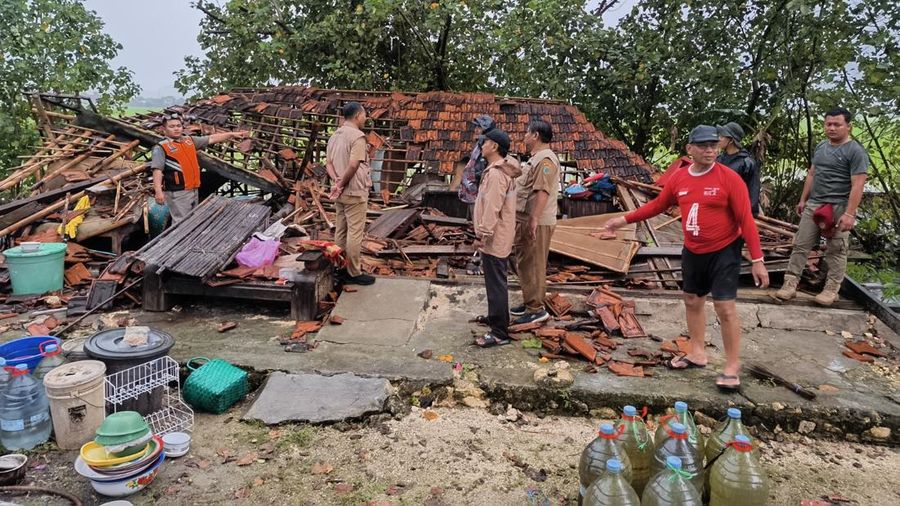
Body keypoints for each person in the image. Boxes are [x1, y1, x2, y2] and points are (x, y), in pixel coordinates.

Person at [605, 125, 769, 391]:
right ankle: (696, 352)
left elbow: (746, 220)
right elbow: (657, 205)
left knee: (725, 308)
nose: (709, 150)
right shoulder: (680, 178)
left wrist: (758, 259)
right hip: (693, 249)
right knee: (692, 301)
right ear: (689, 149)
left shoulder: (729, 178)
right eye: (703, 146)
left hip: (724, 250)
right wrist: (621, 220)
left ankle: (731, 366)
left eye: (713, 145)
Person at [775, 108, 869, 306]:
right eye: (828, 124)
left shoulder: (855, 151)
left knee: (836, 249)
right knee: (801, 244)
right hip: (815, 204)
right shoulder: (821, 147)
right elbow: (812, 174)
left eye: (837, 124)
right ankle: (790, 284)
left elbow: (858, 184)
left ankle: (831, 289)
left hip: (839, 205)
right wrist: (803, 200)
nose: (832, 128)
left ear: (848, 126)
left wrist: (849, 213)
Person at [151, 114, 249, 225]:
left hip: (193, 188)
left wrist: (231, 134)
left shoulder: (189, 141)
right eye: (172, 126)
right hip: (178, 191)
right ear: (164, 129)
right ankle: (181, 242)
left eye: (178, 125)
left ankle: (188, 241)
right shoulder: (161, 147)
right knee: (181, 223)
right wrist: (158, 191)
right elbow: (157, 170)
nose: (176, 128)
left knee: (191, 221)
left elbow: (211, 138)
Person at [473, 129, 522, 347]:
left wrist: (483, 234)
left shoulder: (495, 174)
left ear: (494, 147)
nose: (481, 145)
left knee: (496, 283)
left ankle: (500, 332)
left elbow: (492, 207)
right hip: (497, 234)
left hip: (494, 237)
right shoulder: (498, 171)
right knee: (495, 281)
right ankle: (496, 318)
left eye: (485, 142)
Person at [511, 120, 560, 325]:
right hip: (528, 218)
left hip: (537, 222)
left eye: (527, 133)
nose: (524, 137)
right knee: (525, 262)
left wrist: (534, 219)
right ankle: (529, 299)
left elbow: (542, 191)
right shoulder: (536, 158)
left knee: (534, 264)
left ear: (536, 135)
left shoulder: (546, 160)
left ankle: (536, 309)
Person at [327, 102, 376, 286]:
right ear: (357, 116)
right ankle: (353, 272)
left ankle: (338, 268)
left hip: (340, 192)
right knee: (355, 233)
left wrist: (336, 183)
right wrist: (342, 183)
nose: (365, 118)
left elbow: (329, 164)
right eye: (364, 115)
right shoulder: (357, 137)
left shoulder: (335, 135)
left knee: (341, 230)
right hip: (354, 191)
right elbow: (354, 165)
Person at [716, 122, 761, 216]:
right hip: (717, 209)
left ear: (731, 140)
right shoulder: (718, 160)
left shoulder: (747, 163)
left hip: (736, 213)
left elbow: (753, 191)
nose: (718, 139)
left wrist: (749, 214)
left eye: (722, 136)